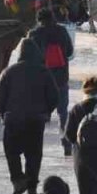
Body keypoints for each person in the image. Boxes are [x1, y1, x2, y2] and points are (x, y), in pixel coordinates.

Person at [0, 39, 59, 194]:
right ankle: (31, 189)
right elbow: (54, 96)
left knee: (12, 152)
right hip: (36, 121)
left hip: (12, 119)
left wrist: (4, 112)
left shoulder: (8, 72)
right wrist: (46, 111)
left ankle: (18, 180)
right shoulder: (44, 72)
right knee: (34, 155)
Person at [29, 8, 74, 156]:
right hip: (61, 79)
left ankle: (37, 145)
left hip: (42, 81)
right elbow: (69, 52)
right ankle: (66, 142)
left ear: (39, 20)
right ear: (53, 17)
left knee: (40, 115)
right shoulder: (61, 31)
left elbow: (29, 56)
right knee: (63, 113)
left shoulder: (34, 34)